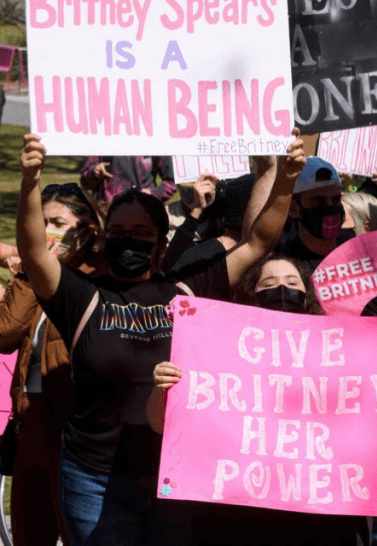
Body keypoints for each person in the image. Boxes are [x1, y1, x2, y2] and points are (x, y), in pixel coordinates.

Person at [16, 131, 306, 545]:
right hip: (95, 479)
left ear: (161, 242)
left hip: (174, 480)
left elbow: (258, 241)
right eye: (117, 230)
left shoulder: (188, 290)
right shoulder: (80, 296)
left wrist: (286, 178)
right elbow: (34, 253)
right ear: (104, 236)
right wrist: (29, 182)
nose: (127, 240)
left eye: (140, 232)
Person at [148, 254, 377, 545]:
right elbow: (159, 425)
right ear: (251, 295)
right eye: (269, 283)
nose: (282, 288)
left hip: (322, 522)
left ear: (307, 295)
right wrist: (165, 388)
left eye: (292, 282)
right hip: (241, 520)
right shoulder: (218, 349)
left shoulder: (343, 350)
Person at [0, 182, 104, 546]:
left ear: (85, 231)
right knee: (29, 532)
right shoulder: (33, 276)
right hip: (31, 423)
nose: (46, 231)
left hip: (76, 429)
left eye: (57, 222)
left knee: (79, 534)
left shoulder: (100, 280)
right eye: (40, 221)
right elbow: (5, 332)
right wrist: (31, 266)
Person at [275, 156, 353, 266]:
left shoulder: (354, 246)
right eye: (318, 202)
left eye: (336, 200)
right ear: (294, 208)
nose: (330, 208)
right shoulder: (284, 262)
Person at [79, 155, 177, 204]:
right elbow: (85, 182)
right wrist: (94, 173)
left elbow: (171, 183)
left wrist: (151, 194)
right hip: (107, 210)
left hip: (143, 210)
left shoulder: (156, 140)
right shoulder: (106, 137)